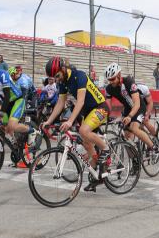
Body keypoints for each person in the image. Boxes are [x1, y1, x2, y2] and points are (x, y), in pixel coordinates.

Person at [41, 57, 110, 192]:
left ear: (63, 69)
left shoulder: (80, 76)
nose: (56, 80)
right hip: (89, 112)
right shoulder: (62, 82)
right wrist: (49, 121)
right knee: (87, 143)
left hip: (100, 107)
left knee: (83, 131)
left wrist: (70, 121)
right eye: (53, 77)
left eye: (57, 75)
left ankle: (106, 150)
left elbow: (80, 101)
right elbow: (60, 103)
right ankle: (98, 175)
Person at [104, 63, 157, 154]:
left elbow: (137, 104)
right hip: (127, 109)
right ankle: (134, 159)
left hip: (139, 107)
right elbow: (108, 106)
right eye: (109, 80)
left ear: (119, 75)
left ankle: (153, 147)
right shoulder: (108, 88)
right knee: (127, 136)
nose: (111, 82)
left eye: (112, 79)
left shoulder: (128, 82)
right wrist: (105, 117)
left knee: (134, 128)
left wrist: (130, 116)